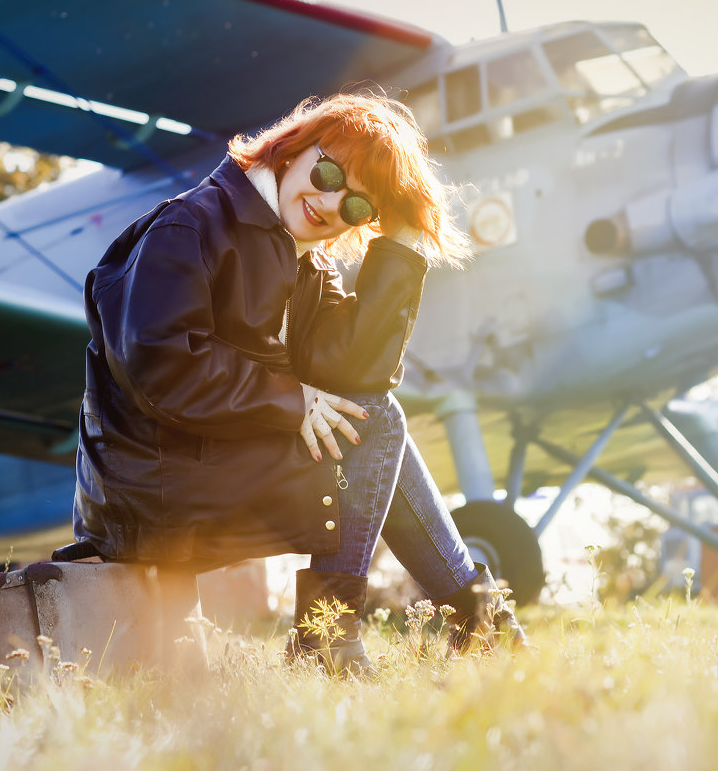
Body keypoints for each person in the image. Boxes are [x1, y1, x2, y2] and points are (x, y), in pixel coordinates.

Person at [72, 92, 524, 675]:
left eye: (359, 206)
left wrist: (402, 243)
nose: (331, 201)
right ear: (293, 148)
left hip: (201, 465)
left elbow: (356, 372)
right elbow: (160, 368)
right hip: (151, 483)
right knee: (375, 421)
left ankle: (473, 621)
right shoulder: (188, 224)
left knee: (371, 418)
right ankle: (341, 639)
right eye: (329, 171)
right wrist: (291, 401)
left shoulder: (302, 262)